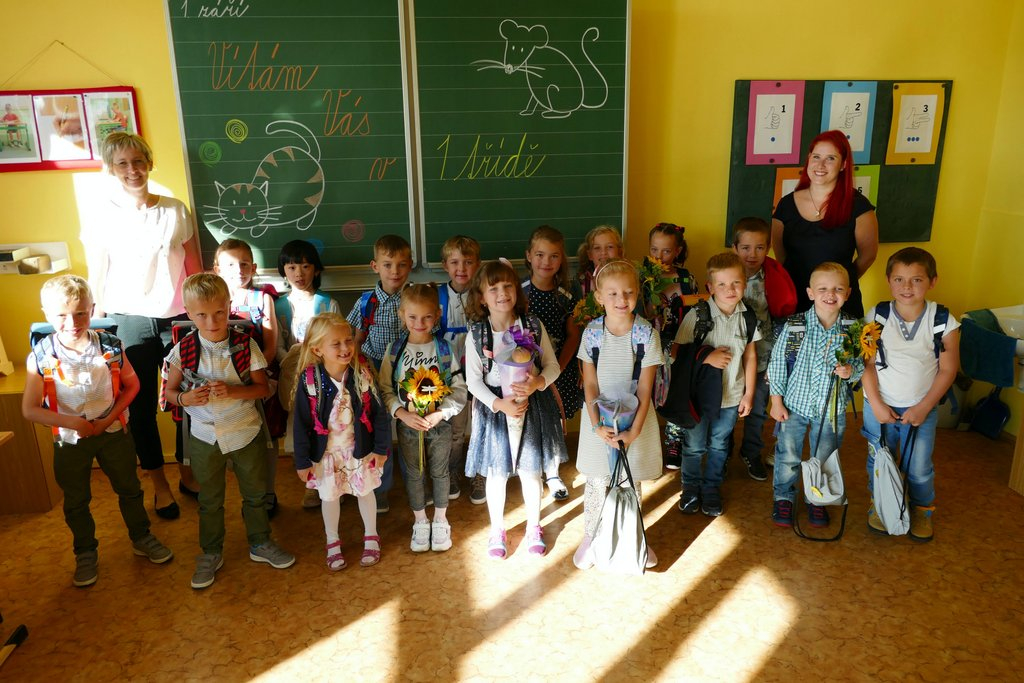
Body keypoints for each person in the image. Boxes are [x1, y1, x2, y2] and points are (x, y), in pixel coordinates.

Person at [80, 132, 203, 520]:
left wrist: (201, 311)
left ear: (149, 163)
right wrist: (96, 325)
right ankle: (159, 484)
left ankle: (187, 471)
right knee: (141, 405)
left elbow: (194, 265)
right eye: (122, 163)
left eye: (138, 161)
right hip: (128, 319)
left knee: (187, 400)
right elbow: (97, 272)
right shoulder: (101, 215)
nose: (132, 170)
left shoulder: (175, 209)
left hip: (177, 316)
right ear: (111, 169)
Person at [22, 275, 173, 587]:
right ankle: (85, 552)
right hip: (69, 441)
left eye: (81, 313)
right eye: (62, 315)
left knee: (129, 488)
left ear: (92, 309)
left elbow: (132, 386)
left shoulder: (111, 346)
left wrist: (108, 419)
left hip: (113, 432)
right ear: (46, 314)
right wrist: (72, 423)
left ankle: (141, 536)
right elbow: (30, 409)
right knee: (76, 500)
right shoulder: (41, 355)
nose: (72, 322)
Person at [163, 274, 294, 589]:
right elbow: (169, 392)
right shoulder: (184, 349)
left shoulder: (245, 345)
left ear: (229, 306)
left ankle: (260, 542)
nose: (212, 322)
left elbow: (262, 389)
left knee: (255, 493)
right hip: (204, 437)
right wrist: (184, 399)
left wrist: (233, 391)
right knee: (209, 499)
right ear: (189, 313)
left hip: (244, 431)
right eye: (202, 315)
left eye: (219, 313)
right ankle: (210, 552)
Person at [464, 260, 568, 559]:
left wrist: (537, 383)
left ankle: (534, 526)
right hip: (496, 411)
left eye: (508, 286)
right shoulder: (477, 334)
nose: (502, 293)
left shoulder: (532, 325)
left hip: (531, 407)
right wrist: (499, 405)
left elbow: (552, 365)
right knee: (496, 475)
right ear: (482, 298)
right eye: (493, 288)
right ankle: (497, 530)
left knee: (530, 472)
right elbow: (473, 381)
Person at [861, 248, 960, 542]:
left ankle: (921, 509)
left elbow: (948, 370)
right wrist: (876, 404)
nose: (907, 287)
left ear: (932, 281)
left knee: (919, 467)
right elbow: (866, 364)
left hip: (921, 408)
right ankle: (881, 503)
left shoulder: (943, 320)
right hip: (878, 406)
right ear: (888, 280)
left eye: (916, 280)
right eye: (899, 279)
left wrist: (924, 407)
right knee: (879, 459)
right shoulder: (876, 316)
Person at [574, 259, 662, 569]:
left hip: (634, 420)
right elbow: (590, 384)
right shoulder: (592, 333)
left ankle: (634, 537)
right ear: (599, 297)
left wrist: (633, 431)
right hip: (599, 420)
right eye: (612, 293)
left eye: (628, 292)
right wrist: (597, 426)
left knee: (629, 480)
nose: (621, 300)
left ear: (638, 293)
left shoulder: (646, 334)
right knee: (598, 480)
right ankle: (591, 536)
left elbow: (645, 389)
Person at [768, 262, 864, 528]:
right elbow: (777, 363)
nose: (830, 294)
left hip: (831, 409)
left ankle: (817, 498)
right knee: (788, 454)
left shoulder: (853, 328)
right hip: (794, 404)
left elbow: (860, 364)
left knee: (825, 455)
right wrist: (776, 401)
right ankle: (784, 497)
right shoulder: (795, 325)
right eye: (822, 289)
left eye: (838, 289)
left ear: (848, 293)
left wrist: (850, 371)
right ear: (810, 293)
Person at [291, 314, 389, 570]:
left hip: (360, 452)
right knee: (329, 497)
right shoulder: (310, 381)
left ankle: (371, 536)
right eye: (336, 344)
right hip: (327, 456)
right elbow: (301, 424)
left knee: (365, 492)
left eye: (348, 340)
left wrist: (381, 448)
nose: (345, 348)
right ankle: (332, 541)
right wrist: (302, 461)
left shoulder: (362, 374)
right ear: (317, 349)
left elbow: (379, 414)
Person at [380, 285, 468, 553]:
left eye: (427, 317)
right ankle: (420, 520)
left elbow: (459, 388)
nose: (420, 323)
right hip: (407, 426)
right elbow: (384, 388)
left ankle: (440, 519)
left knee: (440, 471)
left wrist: (441, 412)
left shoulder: (444, 349)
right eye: (413, 317)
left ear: (438, 314)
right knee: (414, 473)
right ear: (401, 315)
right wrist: (402, 413)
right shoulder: (395, 350)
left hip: (439, 425)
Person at [674, 253, 760, 517]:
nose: (729, 289)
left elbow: (750, 356)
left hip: (731, 396)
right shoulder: (698, 315)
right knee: (694, 445)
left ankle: (711, 487)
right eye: (721, 284)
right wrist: (706, 357)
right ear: (710, 287)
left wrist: (749, 394)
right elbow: (677, 353)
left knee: (720, 445)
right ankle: (690, 487)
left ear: (744, 283)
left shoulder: (747, 317)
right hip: (698, 397)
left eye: (735, 283)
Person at [771, 130, 879, 318]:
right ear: (808, 159)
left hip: (838, 305)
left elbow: (867, 257)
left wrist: (838, 284)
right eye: (816, 157)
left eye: (830, 158)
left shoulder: (858, 207)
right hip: (794, 301)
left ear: (843, 164)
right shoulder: (786, 205)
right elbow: (782, 256)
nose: (821, 165)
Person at [346, 234, 414, 514]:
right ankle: (381, 488)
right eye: (387, 265)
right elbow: (357, 339)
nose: (394, 271)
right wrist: (356, 372)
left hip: (410, 371)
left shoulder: (415, 297)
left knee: (411, 430)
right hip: (374, 371)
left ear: (410, 265)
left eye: (401, 265)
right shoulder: (366, 302)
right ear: (375, 266)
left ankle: (415, 485)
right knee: (380, 431)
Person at [213, 238, 280, 512]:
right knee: (236, 440)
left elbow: (271, 347)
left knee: (267, 438)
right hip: (225, 385)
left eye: (244, 264)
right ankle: (250, 494)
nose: (238, 270)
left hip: (260, 380)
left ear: (253, 267)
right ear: (217, 270)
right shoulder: (213, 302)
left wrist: (254, 378)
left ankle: (268, 493)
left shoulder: (261, 299)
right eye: (230, 265)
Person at [273, 239, 340, 510]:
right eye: (291, 267)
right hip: (294, 378)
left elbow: (337, 341)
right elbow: (277, 346)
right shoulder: (277, 306)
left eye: (305, 266)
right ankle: (311, 484)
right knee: (301, 430)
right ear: (283, 270)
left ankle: (334, 479)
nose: (298, 273)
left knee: (328, 428)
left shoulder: (327, 303)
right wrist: (294, 363)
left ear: (316, 269)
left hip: (323, 377)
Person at [732, 217, 797, 476]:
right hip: (732, 356)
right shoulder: (726, 275)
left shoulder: (774, 277)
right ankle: (723, 453)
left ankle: (751, 451)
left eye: (759, 247)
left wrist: (777, 361)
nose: (752, 254)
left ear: (768, 248)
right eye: (745, 248)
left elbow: (783, 318)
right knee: (727, 409)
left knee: (757, 408)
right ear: (735, 248)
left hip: (762, 355)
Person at [522, 225, 582, 501]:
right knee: (534, 420)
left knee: (555, 420)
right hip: (527, 372)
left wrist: (557, 368)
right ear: (528, 256)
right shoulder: (519, 292)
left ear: (562, 259)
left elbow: (573, 335)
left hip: (558, 369)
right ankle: (532, 470)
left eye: (554, 256)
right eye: (540, 255)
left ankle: (553, 472)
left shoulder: (567, 296)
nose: (546, 262)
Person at [646, 222, 701, 470]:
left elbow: (695, 312)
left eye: (666, 251)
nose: (659, 256)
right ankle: (645, 439)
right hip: (649, 343)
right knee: (647, 390)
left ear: (677, 251)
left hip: (679, 342)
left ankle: (674, 441)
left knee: (676, 390)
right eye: (654, 250)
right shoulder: (643, 277)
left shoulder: (687, 279)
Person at [438, 235, 481, 503]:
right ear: (445, 265)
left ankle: (479, 474)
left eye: (468, 262)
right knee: (454, 431)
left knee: (480, 428)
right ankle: (451, 472)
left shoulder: (484, 294)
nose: (461, 268)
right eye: (454, 262)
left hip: (481, 372)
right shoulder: (437, 295)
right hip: (450, 374)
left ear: (477, 264)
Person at [575, 225, 624, 297]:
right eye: (597, 248)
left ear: (619, 252)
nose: (603, 252)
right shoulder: (581, 284)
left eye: (610, 247)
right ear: (590, 255)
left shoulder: (628, 279)